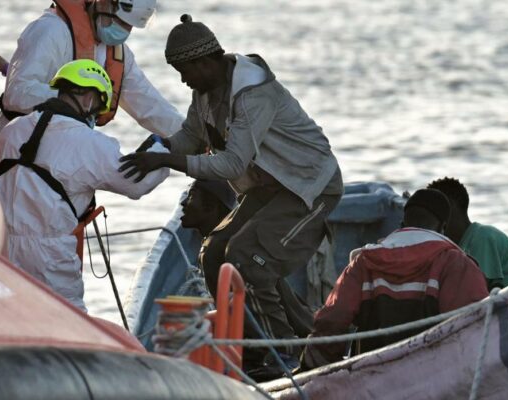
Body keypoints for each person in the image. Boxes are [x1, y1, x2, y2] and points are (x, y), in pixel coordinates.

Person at [118, 14, 343, 376]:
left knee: (250, 256)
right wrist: (154, 150)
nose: (182, 79)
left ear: (205, 62)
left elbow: (230, 163)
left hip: (309, 185)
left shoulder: (253, 94)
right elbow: (191, 137)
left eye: (184, 70)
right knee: (214, 252)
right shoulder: (205, 92)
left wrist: (167, 159)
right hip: (267, 185)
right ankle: (251, 348)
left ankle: (284, 353)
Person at [0, 60, 169, 311]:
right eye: (98, 107)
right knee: (66, 322)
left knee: (8, 315)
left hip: (0, 247)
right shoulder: (89, 142)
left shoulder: (12, 130)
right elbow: (135, 185)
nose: (95, 116)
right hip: (48, 255)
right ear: (88, 97)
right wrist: (163, 152)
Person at [299, 189, 489, 370]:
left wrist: (310, 365)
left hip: (370, 377)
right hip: (435, 377)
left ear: (401, 224)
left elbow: (334, 319)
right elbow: (474, 330)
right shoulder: (456, 263)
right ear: (442, 228)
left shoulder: (363, 262)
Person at [0, 0, 182, 174]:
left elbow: (150, 105)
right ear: (104, 4)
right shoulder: (49, 31)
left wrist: (197, 138)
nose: (124, 30)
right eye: (121, 22)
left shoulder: (116, 52)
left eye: (130, 26)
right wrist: (75, 97)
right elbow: (17, 93)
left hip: (67, 156)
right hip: (21, 153)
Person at [426, 177, 508, 289]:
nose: (430, 219)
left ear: (450, 206)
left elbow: (481, 290)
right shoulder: (459, 248)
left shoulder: (482, 236)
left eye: (433, 210)